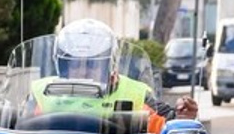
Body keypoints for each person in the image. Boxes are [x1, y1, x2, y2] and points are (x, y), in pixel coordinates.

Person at [30, 18, 199, 127]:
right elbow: (15, 128)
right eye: (74, 64)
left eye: (91, 64)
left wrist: (183, 117)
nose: (82, 71)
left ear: (109, 65)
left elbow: (168, 125)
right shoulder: (41, 92)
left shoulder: (136, 94)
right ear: (62, 65)